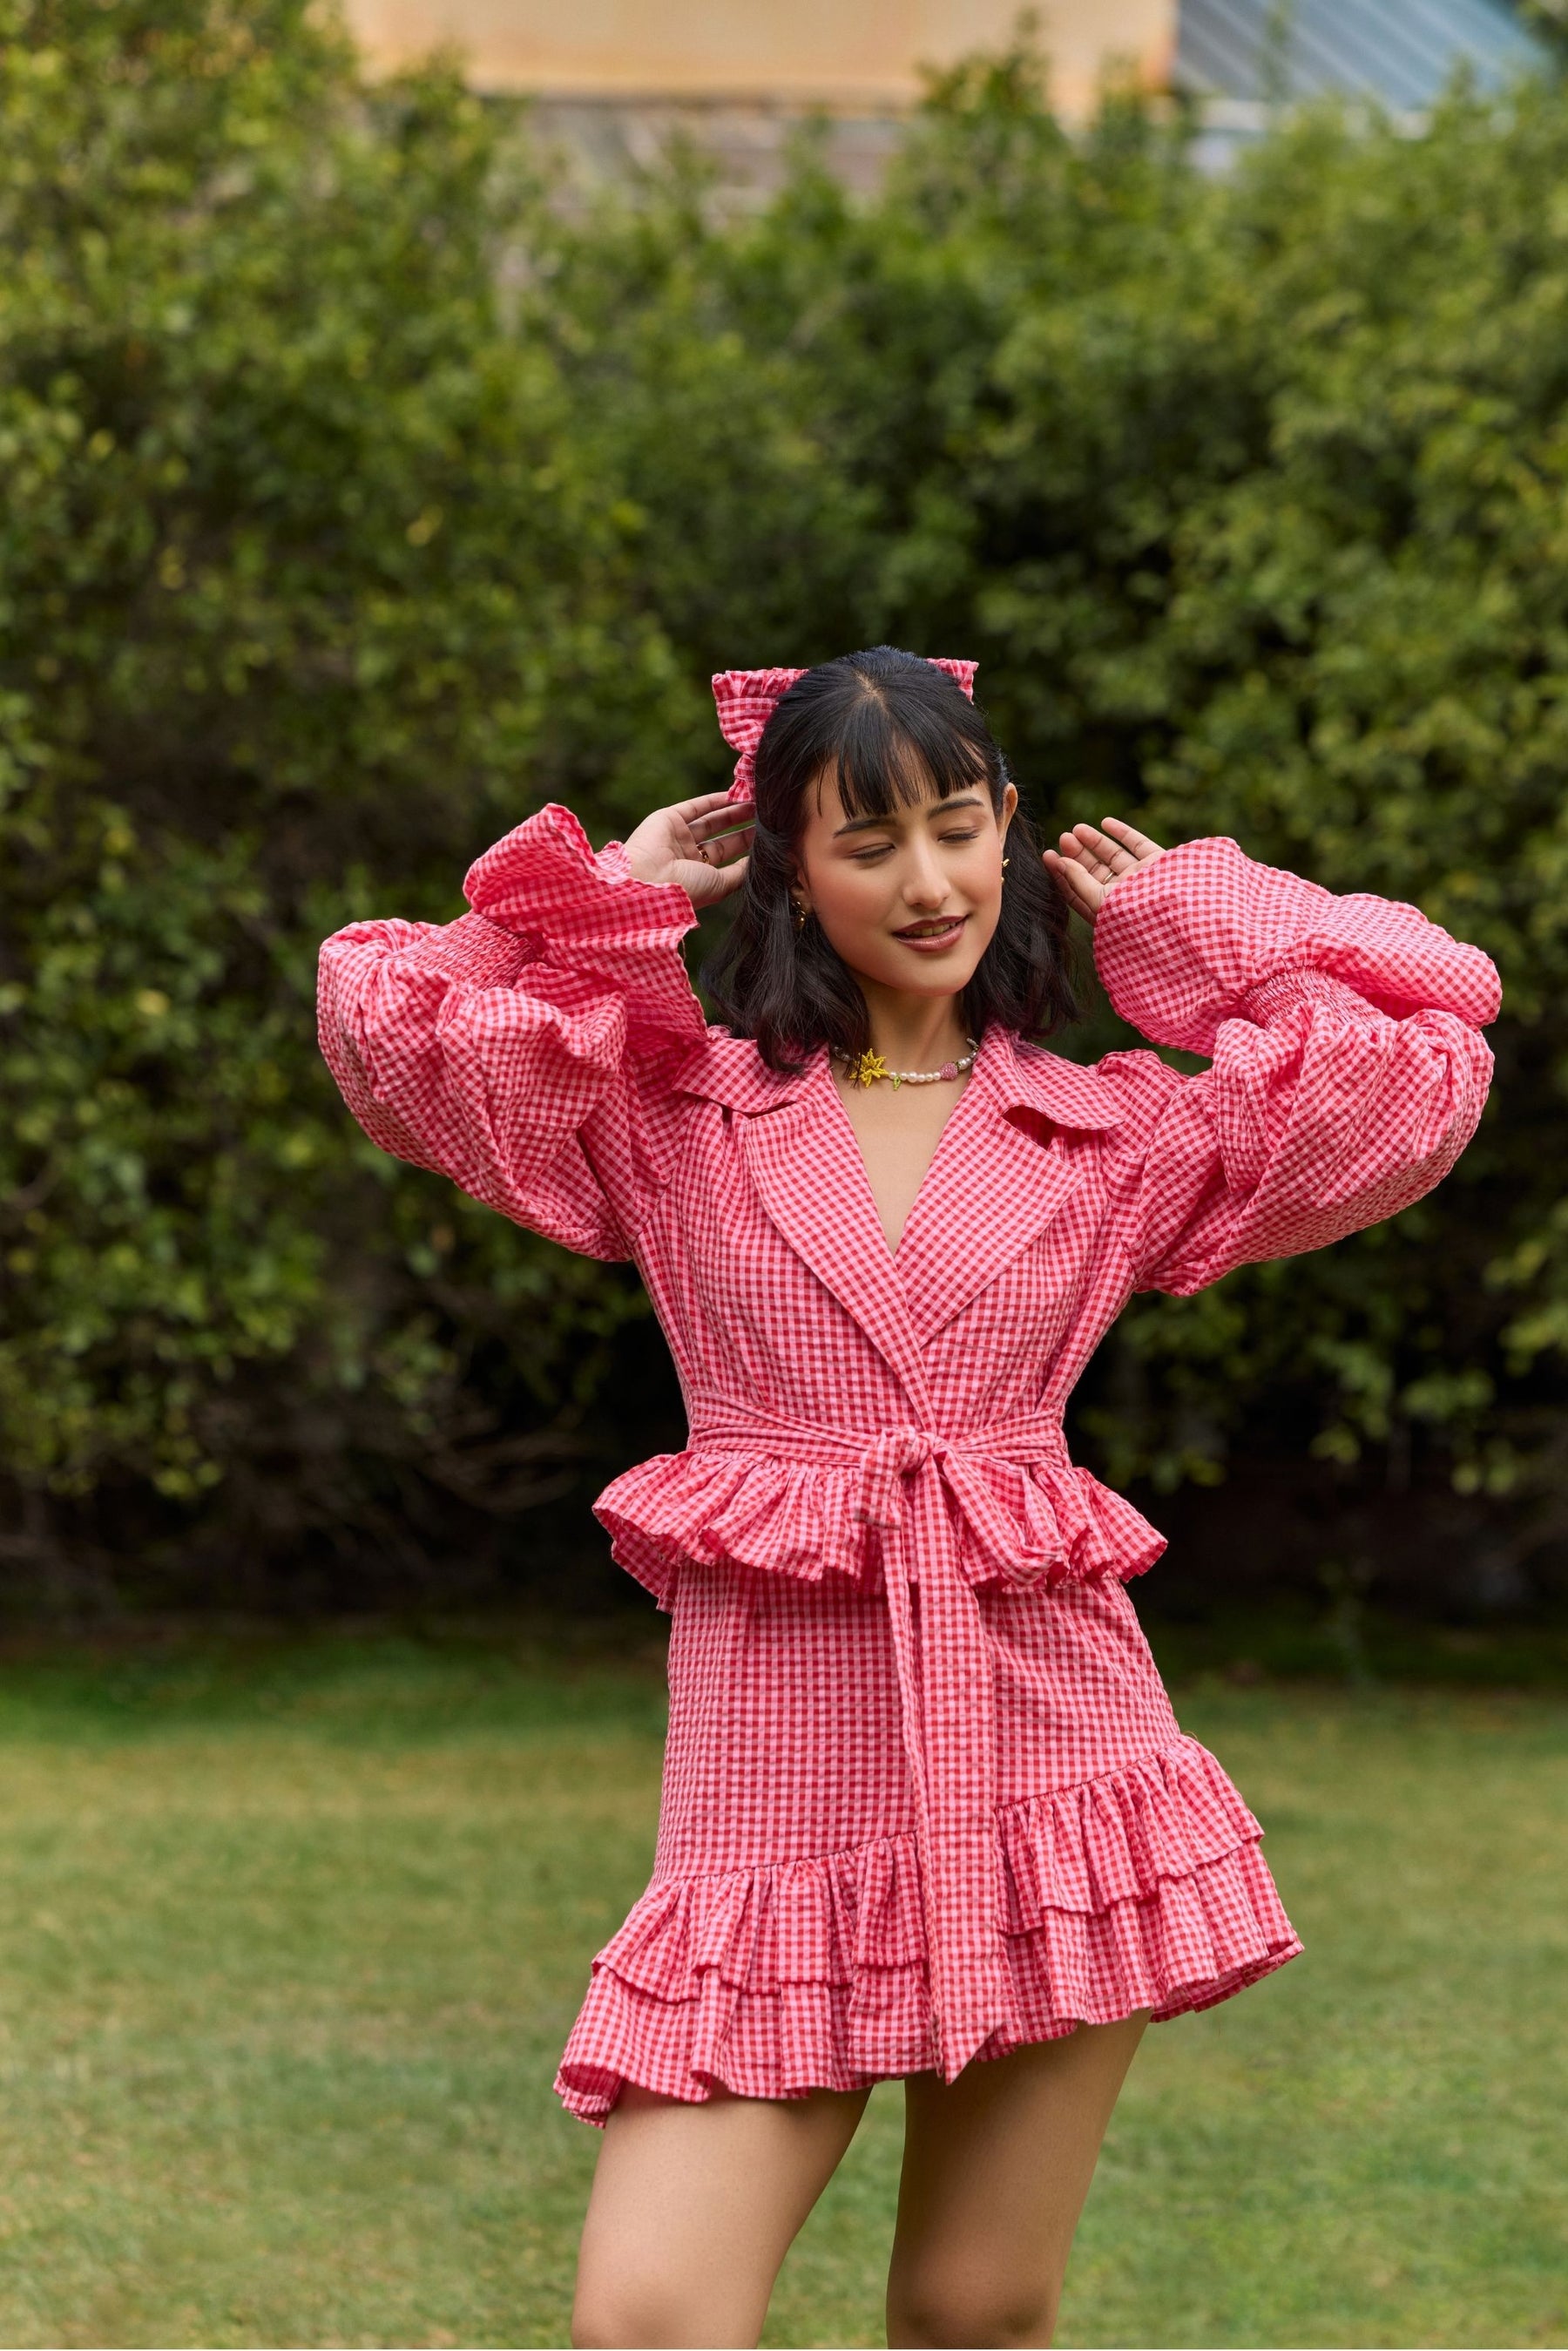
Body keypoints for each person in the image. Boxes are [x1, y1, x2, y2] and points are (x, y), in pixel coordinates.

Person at [317, 647, 1499, 2349]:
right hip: (771, 1799)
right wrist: (599, 905)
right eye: (867, 839)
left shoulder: (1107, 1135)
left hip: (1054, 1776)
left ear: (1010, 827)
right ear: (787, 859)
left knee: (974, 2305)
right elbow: (404, 1037)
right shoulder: (670, 1120)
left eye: (957, 825)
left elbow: (1409, 1046)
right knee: (649, 2314)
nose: (928, 880)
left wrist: (1192, 918)